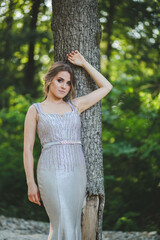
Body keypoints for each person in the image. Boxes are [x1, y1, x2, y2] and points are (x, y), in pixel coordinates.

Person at [23, 50, 113, 240]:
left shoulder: (75, 106)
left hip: (76, 170)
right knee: (61, 220)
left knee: (72, 222)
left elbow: (106, 86)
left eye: (68, 82)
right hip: (50, 170)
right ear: (49, 80)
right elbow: (27, 150)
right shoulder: (35, 110)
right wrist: (31, 183)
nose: (64, 86)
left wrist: (84, 62)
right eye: (60, 80)